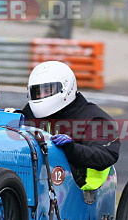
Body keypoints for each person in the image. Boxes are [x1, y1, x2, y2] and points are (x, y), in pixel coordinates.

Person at [22, 61, 120, 190]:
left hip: (78, 186)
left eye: (47, 90)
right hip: (36, 180)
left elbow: (105, 154)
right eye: (37, 92)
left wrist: (71, 148)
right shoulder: (30, 112)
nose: (41, 96)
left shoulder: (94, 118)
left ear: (66, 88)